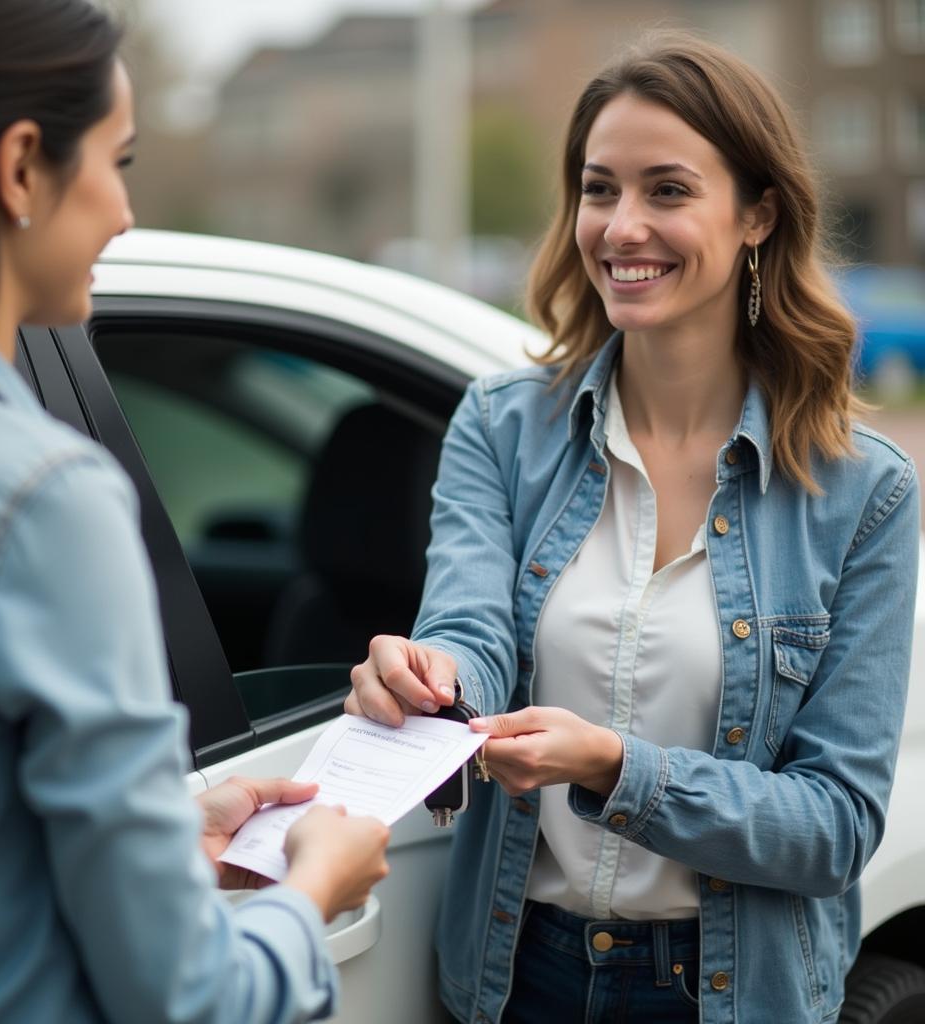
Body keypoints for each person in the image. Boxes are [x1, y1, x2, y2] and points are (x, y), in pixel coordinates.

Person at [346, 32, 919, 1024]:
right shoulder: (502, 424)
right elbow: (472, 630)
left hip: (726, 992)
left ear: (757, 215)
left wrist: (615, 766)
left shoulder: (863, 493)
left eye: (666, 190)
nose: (620, 226)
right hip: (518, 970)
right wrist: (426, 678)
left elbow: (833, 827)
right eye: (597, 187)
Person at [0, 2, 389, 1023]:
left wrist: (170, 824)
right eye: (116, 161)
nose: (124, 212)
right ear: (23, 164)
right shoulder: (40, 501)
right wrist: (313, 893)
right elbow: (183, 996)